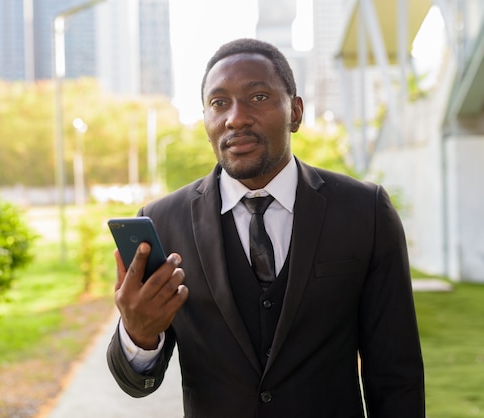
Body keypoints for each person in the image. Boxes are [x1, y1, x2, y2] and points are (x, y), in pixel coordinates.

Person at [107, 38, 425, 417]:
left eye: (257, 97)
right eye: (219, 102)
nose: (235, 118)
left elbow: (396, 374)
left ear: (296, 112)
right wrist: (138, 334)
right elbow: (136, 383)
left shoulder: (365, 211)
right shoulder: (161, 222)